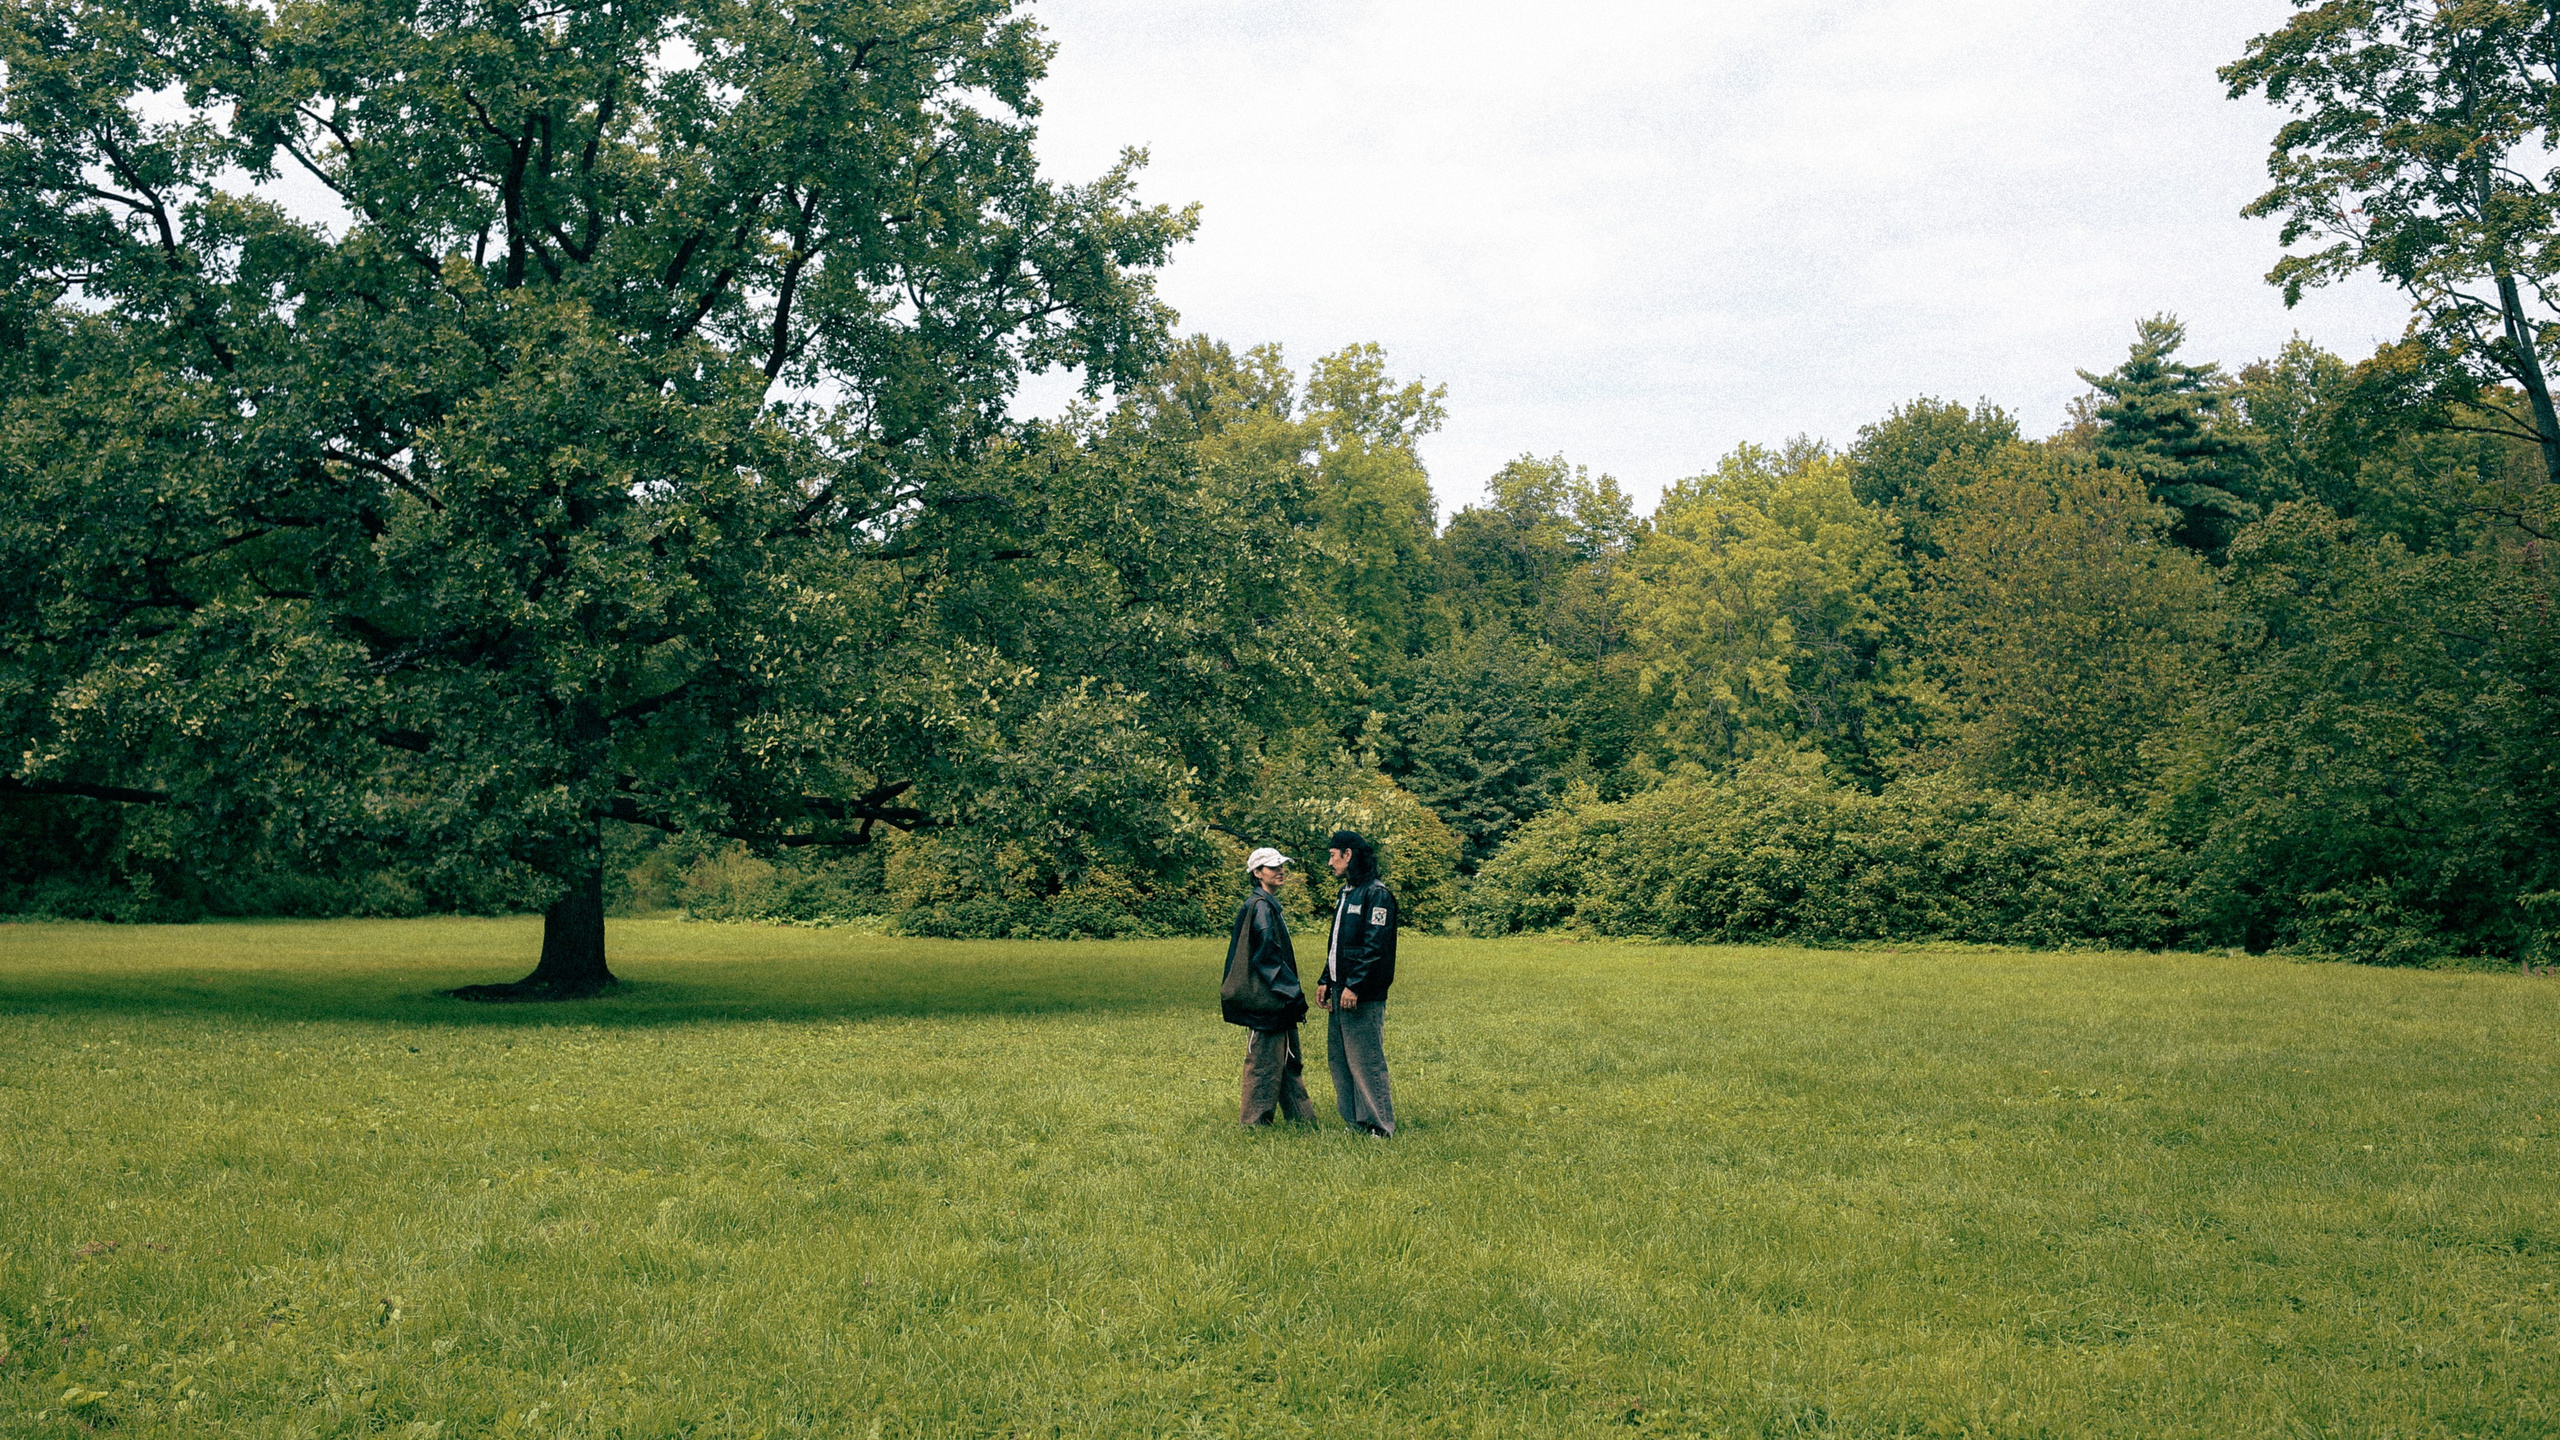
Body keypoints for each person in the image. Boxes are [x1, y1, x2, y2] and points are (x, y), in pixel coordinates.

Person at [1223, 845, 1315, 1126]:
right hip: (1270, 1000)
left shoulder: (1265, 905)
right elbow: (1267, 958)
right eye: (1273, 867)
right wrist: (1292, 994)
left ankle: (1302, 1121)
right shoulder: (1261, 907)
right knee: (1263, 1063)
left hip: (1276, 999)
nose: (1280, 871)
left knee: (1287, 1060)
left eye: (1281, 866)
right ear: (1257, 873)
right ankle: (1254, 1124)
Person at [1315, 829, 1397, 1137]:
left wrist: (1355, 986)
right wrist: (1327, 978)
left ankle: (1380, 1126)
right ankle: (1356, 1123)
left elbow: (1375, 947)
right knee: (1341, 1060)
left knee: (1366, 1061)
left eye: (1333, 855)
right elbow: (1339, 944)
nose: (1329, 862)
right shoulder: (1347, 893)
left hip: (1360, 994)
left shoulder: (1377, 895)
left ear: (1348, 854)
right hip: (1339, 990)